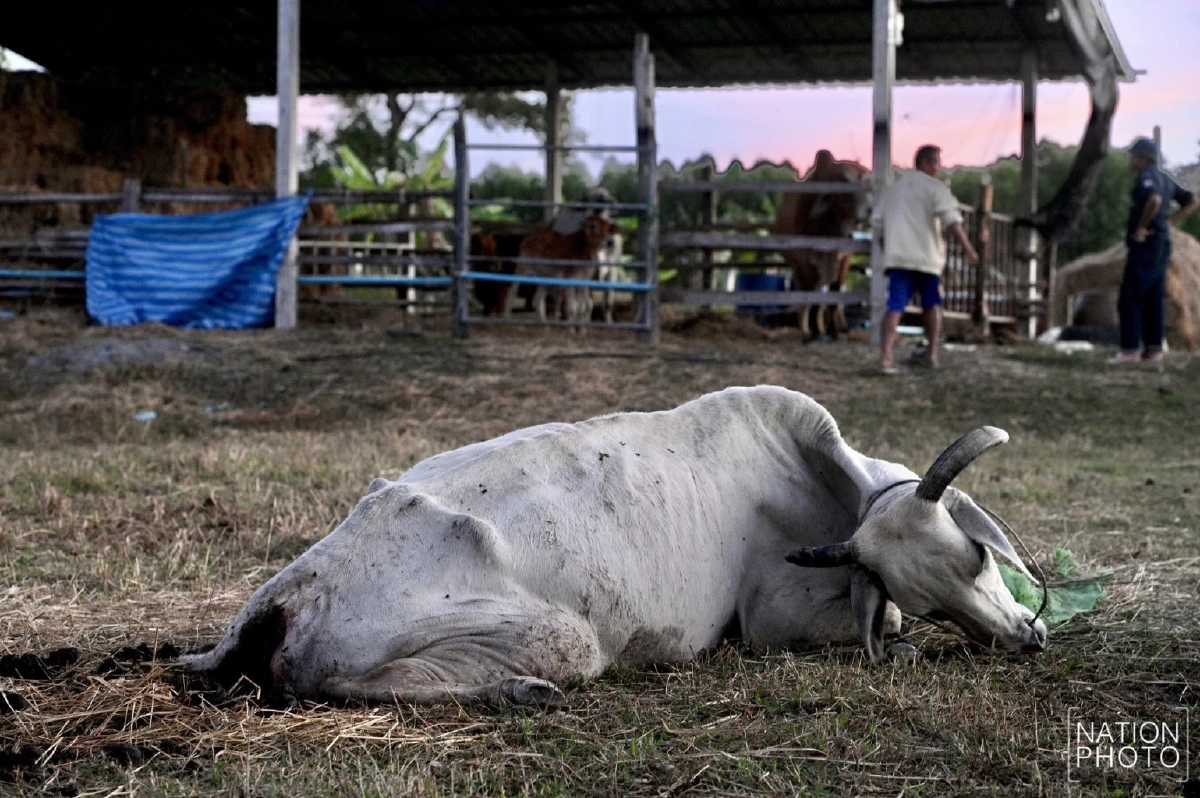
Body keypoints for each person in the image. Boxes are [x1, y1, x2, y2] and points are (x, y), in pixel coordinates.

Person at [872, 145, 979, 374]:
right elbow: (952, 221)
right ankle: (931, 353)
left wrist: (888, 249)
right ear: (928, 163)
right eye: (937, 163)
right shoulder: (936, 188)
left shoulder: (894, 189)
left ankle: (886, 358)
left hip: (899, 257)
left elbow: (877, 224)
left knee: (895, 306)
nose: (939, 168)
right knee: (931, 305)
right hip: (927, 258)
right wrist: (969, 250)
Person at [1107, 138, 1198, 364]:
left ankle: (1129, 350)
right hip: (1162, 244)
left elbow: (1154, 200)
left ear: (1142, 157)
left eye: (1133, 155)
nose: (1131, 159)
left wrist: (1140, 227)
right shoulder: (1166, 178)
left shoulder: (1146, 176)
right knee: (1153, 298)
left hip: (1146, 245)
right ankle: (1153, 349)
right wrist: (1170, 222)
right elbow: (1192, 201)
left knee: (1130, 296)